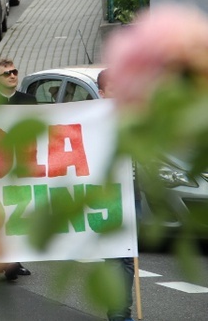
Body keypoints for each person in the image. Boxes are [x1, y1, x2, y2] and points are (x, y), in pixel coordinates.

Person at [0, 58, 34, 280]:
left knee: (18, 211)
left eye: (14, 71)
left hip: (20, 166)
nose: (12, 76)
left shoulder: (29, 101)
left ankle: (15, 260)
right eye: (6, 74)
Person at [97, 69, 136, 321]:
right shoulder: (92, 120)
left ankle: (123, 312)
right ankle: (119, 315)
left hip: (133, 194)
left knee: (128, 256)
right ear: (101, 93)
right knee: (115, 256)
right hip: (107, 197)